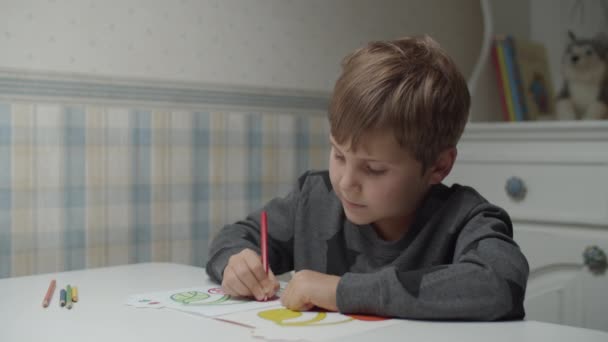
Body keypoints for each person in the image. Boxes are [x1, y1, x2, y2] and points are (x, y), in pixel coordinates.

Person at [206, 35, 529, 320]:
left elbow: (501, 284)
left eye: (373, 169)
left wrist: (342, 291)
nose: (346, 182)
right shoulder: (314, 198)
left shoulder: (466, 217)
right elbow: (236, 236)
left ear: (438, 167)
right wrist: (236, 264)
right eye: (338, 154)